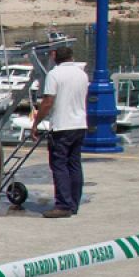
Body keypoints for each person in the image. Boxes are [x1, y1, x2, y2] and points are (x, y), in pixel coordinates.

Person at [28, 45, 89, 218]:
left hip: (62, 125)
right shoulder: (81, 74)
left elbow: (48, 101)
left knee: (59, 165)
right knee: (74, 165)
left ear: (55, 56)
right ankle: (73, 203)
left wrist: (36, 122)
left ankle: (63, 205)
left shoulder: (54, 75)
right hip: (79, 124)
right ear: (71, 56)